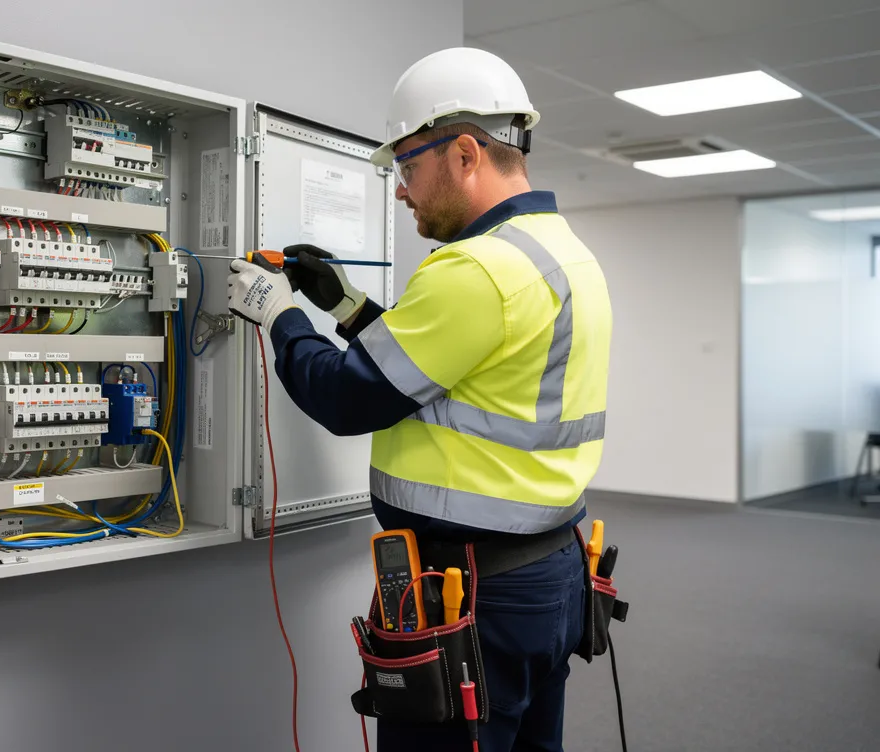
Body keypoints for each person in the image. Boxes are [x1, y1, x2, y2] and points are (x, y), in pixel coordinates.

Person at [226, 47, 612, 751]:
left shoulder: (476, 269)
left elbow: (348, 398)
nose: (401, 190)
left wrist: (276, 312)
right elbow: (446, 372)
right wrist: (342, 302)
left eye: (407, 166)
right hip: (548, 576)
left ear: (464, 153)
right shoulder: (559, 253)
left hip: (472, 595)